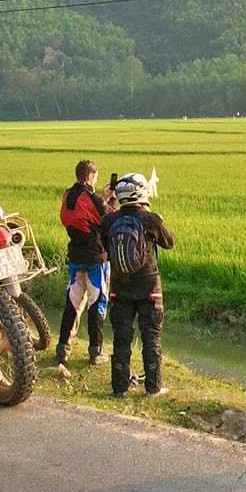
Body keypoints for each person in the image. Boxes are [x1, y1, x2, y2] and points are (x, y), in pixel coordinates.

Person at [101, 171, 173, 398]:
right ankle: (154, 388)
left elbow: (105, 244)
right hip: (149, 286)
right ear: (140, 191)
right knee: (151, 337)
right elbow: (169, 242)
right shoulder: (150, 219)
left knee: (122, 339)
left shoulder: (109, 220)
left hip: (119, 287)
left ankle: (119, 388)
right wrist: (155, 219)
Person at [55, 159, 112, 366]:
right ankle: (96, 352)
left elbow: (79, 217)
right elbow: (107, 220)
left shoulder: (67, 195)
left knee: (72, 303)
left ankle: (62, 348)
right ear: (90, 176)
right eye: (95, 176)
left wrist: (102, 199)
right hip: (95, 259)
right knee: (97, 303)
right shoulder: (93, 198)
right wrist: (108, 200)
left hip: (75, 257)